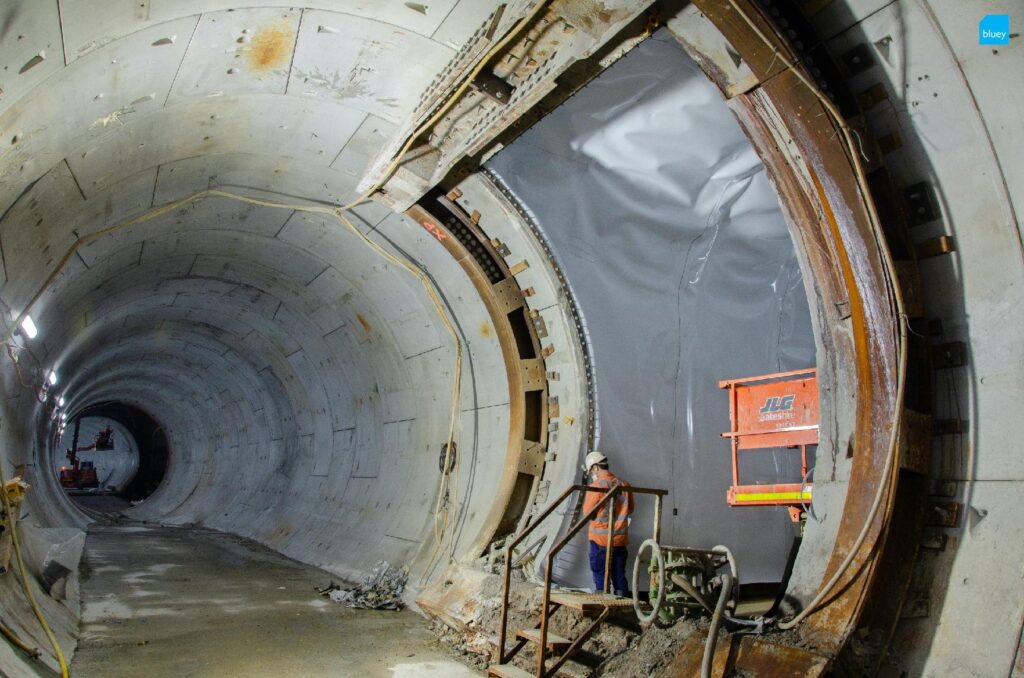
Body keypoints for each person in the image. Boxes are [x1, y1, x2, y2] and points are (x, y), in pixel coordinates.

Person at [581, 450, 634, 597]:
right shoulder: (624, 484)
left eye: (592, 470)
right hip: (619, 540)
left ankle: (603, 599)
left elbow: (588, 513)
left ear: (596, 468)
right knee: (619, 575)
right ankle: (622, 603)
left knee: (600, 575)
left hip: (600, 541)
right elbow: (630, 509)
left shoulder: (597, 486)